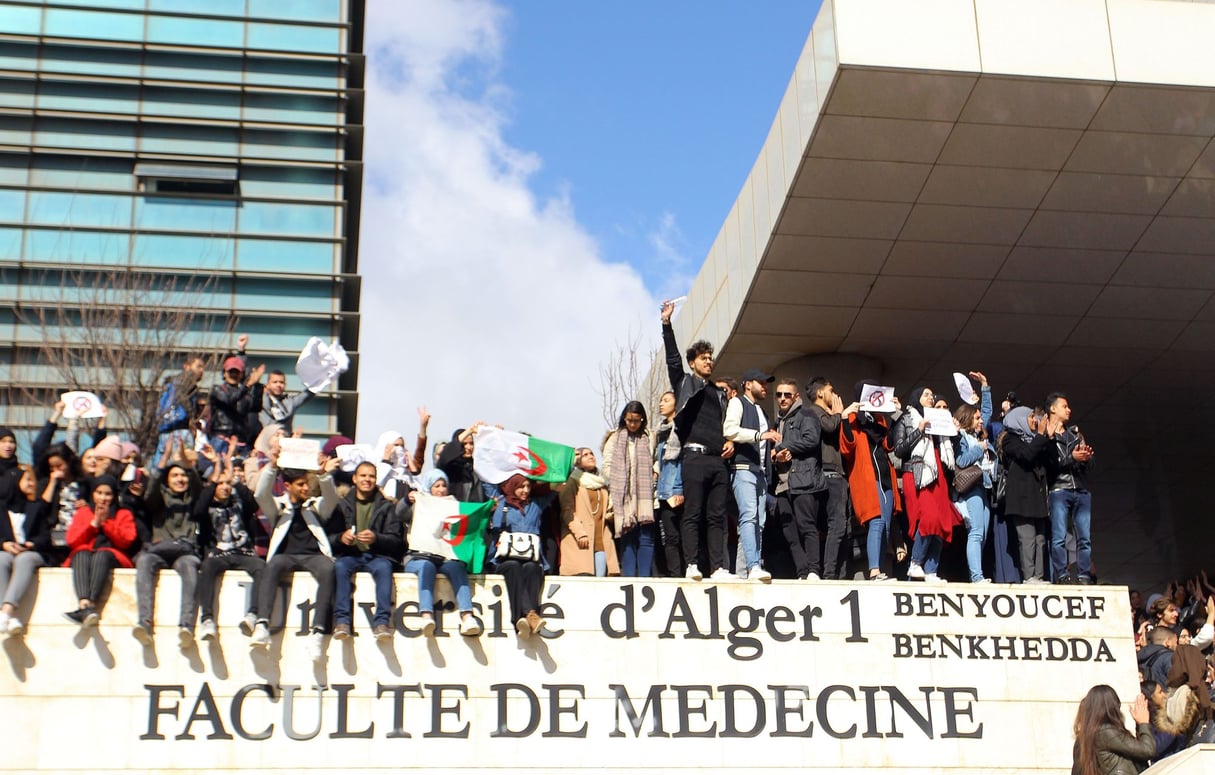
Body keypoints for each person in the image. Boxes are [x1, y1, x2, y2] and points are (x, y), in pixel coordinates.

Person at [661, 300, 733, 581]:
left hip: (718, 460)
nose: (709, 361)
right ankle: (692, 564)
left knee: (717, 516)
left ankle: (717, 568)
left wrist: (730, 441)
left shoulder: (719, 393)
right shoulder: (685, 383)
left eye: (710, 357)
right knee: (693, 513)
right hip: (694, 457)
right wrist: (666, 324)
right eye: (703, 357)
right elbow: (672, 360)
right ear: (693, 363)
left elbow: (728, 425)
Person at [252, 454, 341, 661]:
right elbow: (260, 494)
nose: (305, 489)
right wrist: (272, 467)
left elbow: (331, 500)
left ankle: (317, 632)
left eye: (307, 484)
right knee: (272, 566)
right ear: (287, 486)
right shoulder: (279, 506)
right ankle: (262, 624)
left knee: (328, 568)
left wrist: (323, 475)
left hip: (313, 556)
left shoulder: (314, 505)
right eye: (300, 485)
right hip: (286, 557)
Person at [132, 440, 204, 648]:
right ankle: (144, 622)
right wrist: (164, 460)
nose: (180, 479)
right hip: (160, 550)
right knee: (145, 562)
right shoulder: (159, 498)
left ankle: (186, 626)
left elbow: (198, 486)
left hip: (185, 551)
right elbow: (152, 488)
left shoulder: (193, 498)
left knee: (189, 566)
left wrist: (187, 464)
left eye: (183, 476)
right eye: (175, 475)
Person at [330, 460, 406, 642]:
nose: (367, 479)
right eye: (363, 475)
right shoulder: (341, 505)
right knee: (340, 567)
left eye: (371, 476)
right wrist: (341, 538)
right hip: (349, 555)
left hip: (378, 556)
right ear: (355, 479)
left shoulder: (387, 506)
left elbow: (397, 541)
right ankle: (342, 621)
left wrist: (376, 538)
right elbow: (328, 538)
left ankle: (381, 623)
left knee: (384, 569)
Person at [892, 386, 962, 582]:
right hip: (917, 475)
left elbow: (947, 454)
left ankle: (931, 570)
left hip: (937, 475)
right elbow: (899, 450)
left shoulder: (938, 421)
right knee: (929, 519)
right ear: (916, 398)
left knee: (942, 522)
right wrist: (919, 431)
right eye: (926, 395)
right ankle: (915, 563)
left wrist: (953, 434)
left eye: (932, 394)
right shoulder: (907, 419)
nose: (931, 398)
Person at [194, 447, 265, 642]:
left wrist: (234, 476)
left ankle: (253, 614)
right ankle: (207, 619)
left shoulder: (239, 501)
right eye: (221, 484)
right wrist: (216, 474)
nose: (226, 487)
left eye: (228, 484)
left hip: (242, 552)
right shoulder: (207, 505)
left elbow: (253, 503)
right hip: (218, 554)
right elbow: (198, 511)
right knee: (207, 568)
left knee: (261, 567)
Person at [402, 469, 482, 636]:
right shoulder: (419, 503)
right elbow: (399, 513)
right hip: (419, 557)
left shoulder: (453, 505)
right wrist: (407, 501)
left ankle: (467, 616)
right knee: (426, 567)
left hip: (444, 558)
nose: (441, 489)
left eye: (443, 485)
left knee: (456, 568)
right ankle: (426, 615)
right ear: (429, 488)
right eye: (436, 486)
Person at [840, 382, 902, 581]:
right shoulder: (852, 418)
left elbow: (889, 444)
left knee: (884, 524)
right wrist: (844, 419)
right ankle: (874, 571)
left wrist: (895, 416)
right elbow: (847, 448)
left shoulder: (879, 420)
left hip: (885, 476)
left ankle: (880, 570)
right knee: (875, 521)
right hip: (866, 478)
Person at [723, 369, 779, 582]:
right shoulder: (738, 403)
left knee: (759, 522)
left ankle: (745, 570)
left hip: (761, 474)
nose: (765, 386)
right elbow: (730, 430)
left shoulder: (762, 413)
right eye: (761, 382)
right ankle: (753, 566)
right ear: (747, 384)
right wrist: (759, 435)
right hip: (743, 470)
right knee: (749, 517)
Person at [801, 377, 857, 581]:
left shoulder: (829, 413)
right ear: (820, 393)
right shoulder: (814, 412)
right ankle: (830, 573)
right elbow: (829, 427)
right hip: (829, 474)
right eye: (830, 390)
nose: (834, 395)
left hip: (838, 475)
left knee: (842, 527)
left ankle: (841, 574)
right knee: (837, 525)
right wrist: (840, 414)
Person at [62, 475, 137, 627]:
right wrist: (93, 524)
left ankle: (91, 604)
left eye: (108, 494)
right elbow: (72, 540)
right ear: (93, 494)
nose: (103, 498)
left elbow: (127, 540)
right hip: (85, 553)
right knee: (81, 553)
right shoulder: (83, 513)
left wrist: (106, 523)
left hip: (112, 554)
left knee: (101, 555)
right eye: (99, 493)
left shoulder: (123, 514)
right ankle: (84, 604)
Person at [485, 473, 553, 638]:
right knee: (513, 567)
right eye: (521, 486)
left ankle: (520, 619)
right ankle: (530, 615)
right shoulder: (500, 503)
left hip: (531, 556)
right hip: (505, 558)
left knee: (532, 569)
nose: (525, 490)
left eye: (528, 486)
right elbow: (486, 479)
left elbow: (557, 488)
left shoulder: (536, 505)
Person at [1000, 406, 1058, 583]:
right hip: (1021, 498)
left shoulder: (1037, 440)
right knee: (1027, 539)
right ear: (1020, 418)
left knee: (1041, 538)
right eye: (1031, 417)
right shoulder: (1010, 440)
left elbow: (1052, 462)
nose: (1035, 420)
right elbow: (1026, 455)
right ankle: (1029, 576)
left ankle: (1040, 576)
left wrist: (1050, 439)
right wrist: (1040, 437)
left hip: (1038, 497)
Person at [1045, 392, 1095, 584]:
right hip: (1059, 489)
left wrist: (1087, 457)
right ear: (1053, 408)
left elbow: (1090, 464)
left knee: (1084, 538)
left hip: (1080, 489)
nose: (1069, 410)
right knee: (1058, 537)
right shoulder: (1047, 437)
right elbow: (1049, 464)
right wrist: (1072, 458)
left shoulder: (1075, 434)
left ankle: (1084, 576)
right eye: (1064, 406)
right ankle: (1063, 575)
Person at [601, 401, 655, 577]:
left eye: (637, 421)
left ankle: (645, 578)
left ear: (642, 420)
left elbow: (656, 460)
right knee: (628, 537)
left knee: (646, 537)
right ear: (624, 418)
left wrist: (655, 472)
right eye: (629, 420)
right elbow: (606, 466)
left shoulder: (649, 437)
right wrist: (619, 477)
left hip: (645, 496)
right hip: (623, 496)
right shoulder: (614, 438)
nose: (633, 424)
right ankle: (630, 578)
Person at [951, 372, 995, 583]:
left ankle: (977, 573)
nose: (981, 421)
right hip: (971, 488)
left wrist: (985, 387)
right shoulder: (961, 437)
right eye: (977, 418)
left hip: (984, 486)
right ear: (968, 419)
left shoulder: (978, 434)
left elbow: (986, 412)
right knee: (976, 532)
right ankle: (977, 577)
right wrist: (978, 450)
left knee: (983, 533)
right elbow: (960, 460)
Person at [0, 466, 50, 637]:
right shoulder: (1, 510)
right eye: (26, 479)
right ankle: (9, 617)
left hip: (31, 552)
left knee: (24, 560)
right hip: (7, 551)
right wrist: (4, 544)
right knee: (1, 559)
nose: (31, 484)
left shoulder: (35, 507)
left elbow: (45, 537)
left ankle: (6, 611)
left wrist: (30, 544)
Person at [558, 448, 619, 577]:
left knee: (601, 583)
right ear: (577, 462)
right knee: (584, 582)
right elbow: (566, 510)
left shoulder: (602, 483)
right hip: (580, 540)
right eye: (585, 455)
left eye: (591, 453)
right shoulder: (572, 481)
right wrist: (580, 533)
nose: (591, 456)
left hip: (601, 540)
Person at [1071, 684, 1153, 775]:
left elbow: (1137, 752)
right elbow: (1147, 750)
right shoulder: (1105, 731)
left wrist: (1139, 725)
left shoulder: (1088, 736)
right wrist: (1143, 723)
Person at [35, 442, 89, 564]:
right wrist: (52, 482)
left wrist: (85, 505)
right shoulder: (46, 483)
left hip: (76, 533)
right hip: (55, 535)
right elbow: (42, 507)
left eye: (59, 466)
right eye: (52, 468)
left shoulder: (84, 483)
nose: (55, 470)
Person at [653, 391, 685, 577]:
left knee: (683, 535)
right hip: (664, 492)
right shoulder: (661, 432)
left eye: (666, 400)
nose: (661, 404)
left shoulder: (681, 428)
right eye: (660, 401)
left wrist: (679, 489)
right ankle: (675, 575)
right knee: (669, 537)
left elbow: (681, 462)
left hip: (678, 490)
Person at [155, 355, 206, 463]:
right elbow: (182, 397)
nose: (201, 371)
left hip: (166, 428)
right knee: (182, 462)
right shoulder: (187, 379)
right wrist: (192, 418)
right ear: (187, 367)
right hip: (180, 429)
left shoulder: (172, 382)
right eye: (198, 366)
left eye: (203, 368)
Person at [209, 353, 265, 452]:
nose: (234, 375)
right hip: (222, 439)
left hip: (240, 440)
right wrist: (248, 385)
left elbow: (255, 407)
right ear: (224, 373)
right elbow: (229, 400)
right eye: (231, 372)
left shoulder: (244, 393)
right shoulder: (217, 389)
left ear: (242, 374)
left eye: (237, 372)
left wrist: (256, 385)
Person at [258, 369, 316, 436]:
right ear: (267, 384)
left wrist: (321, 380)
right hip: (265, 442)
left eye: (281, 382)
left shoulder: (290, 402)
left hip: (285, 441)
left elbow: (307, 394)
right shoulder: (259, 400)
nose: (278, 385)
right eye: (275, 382)